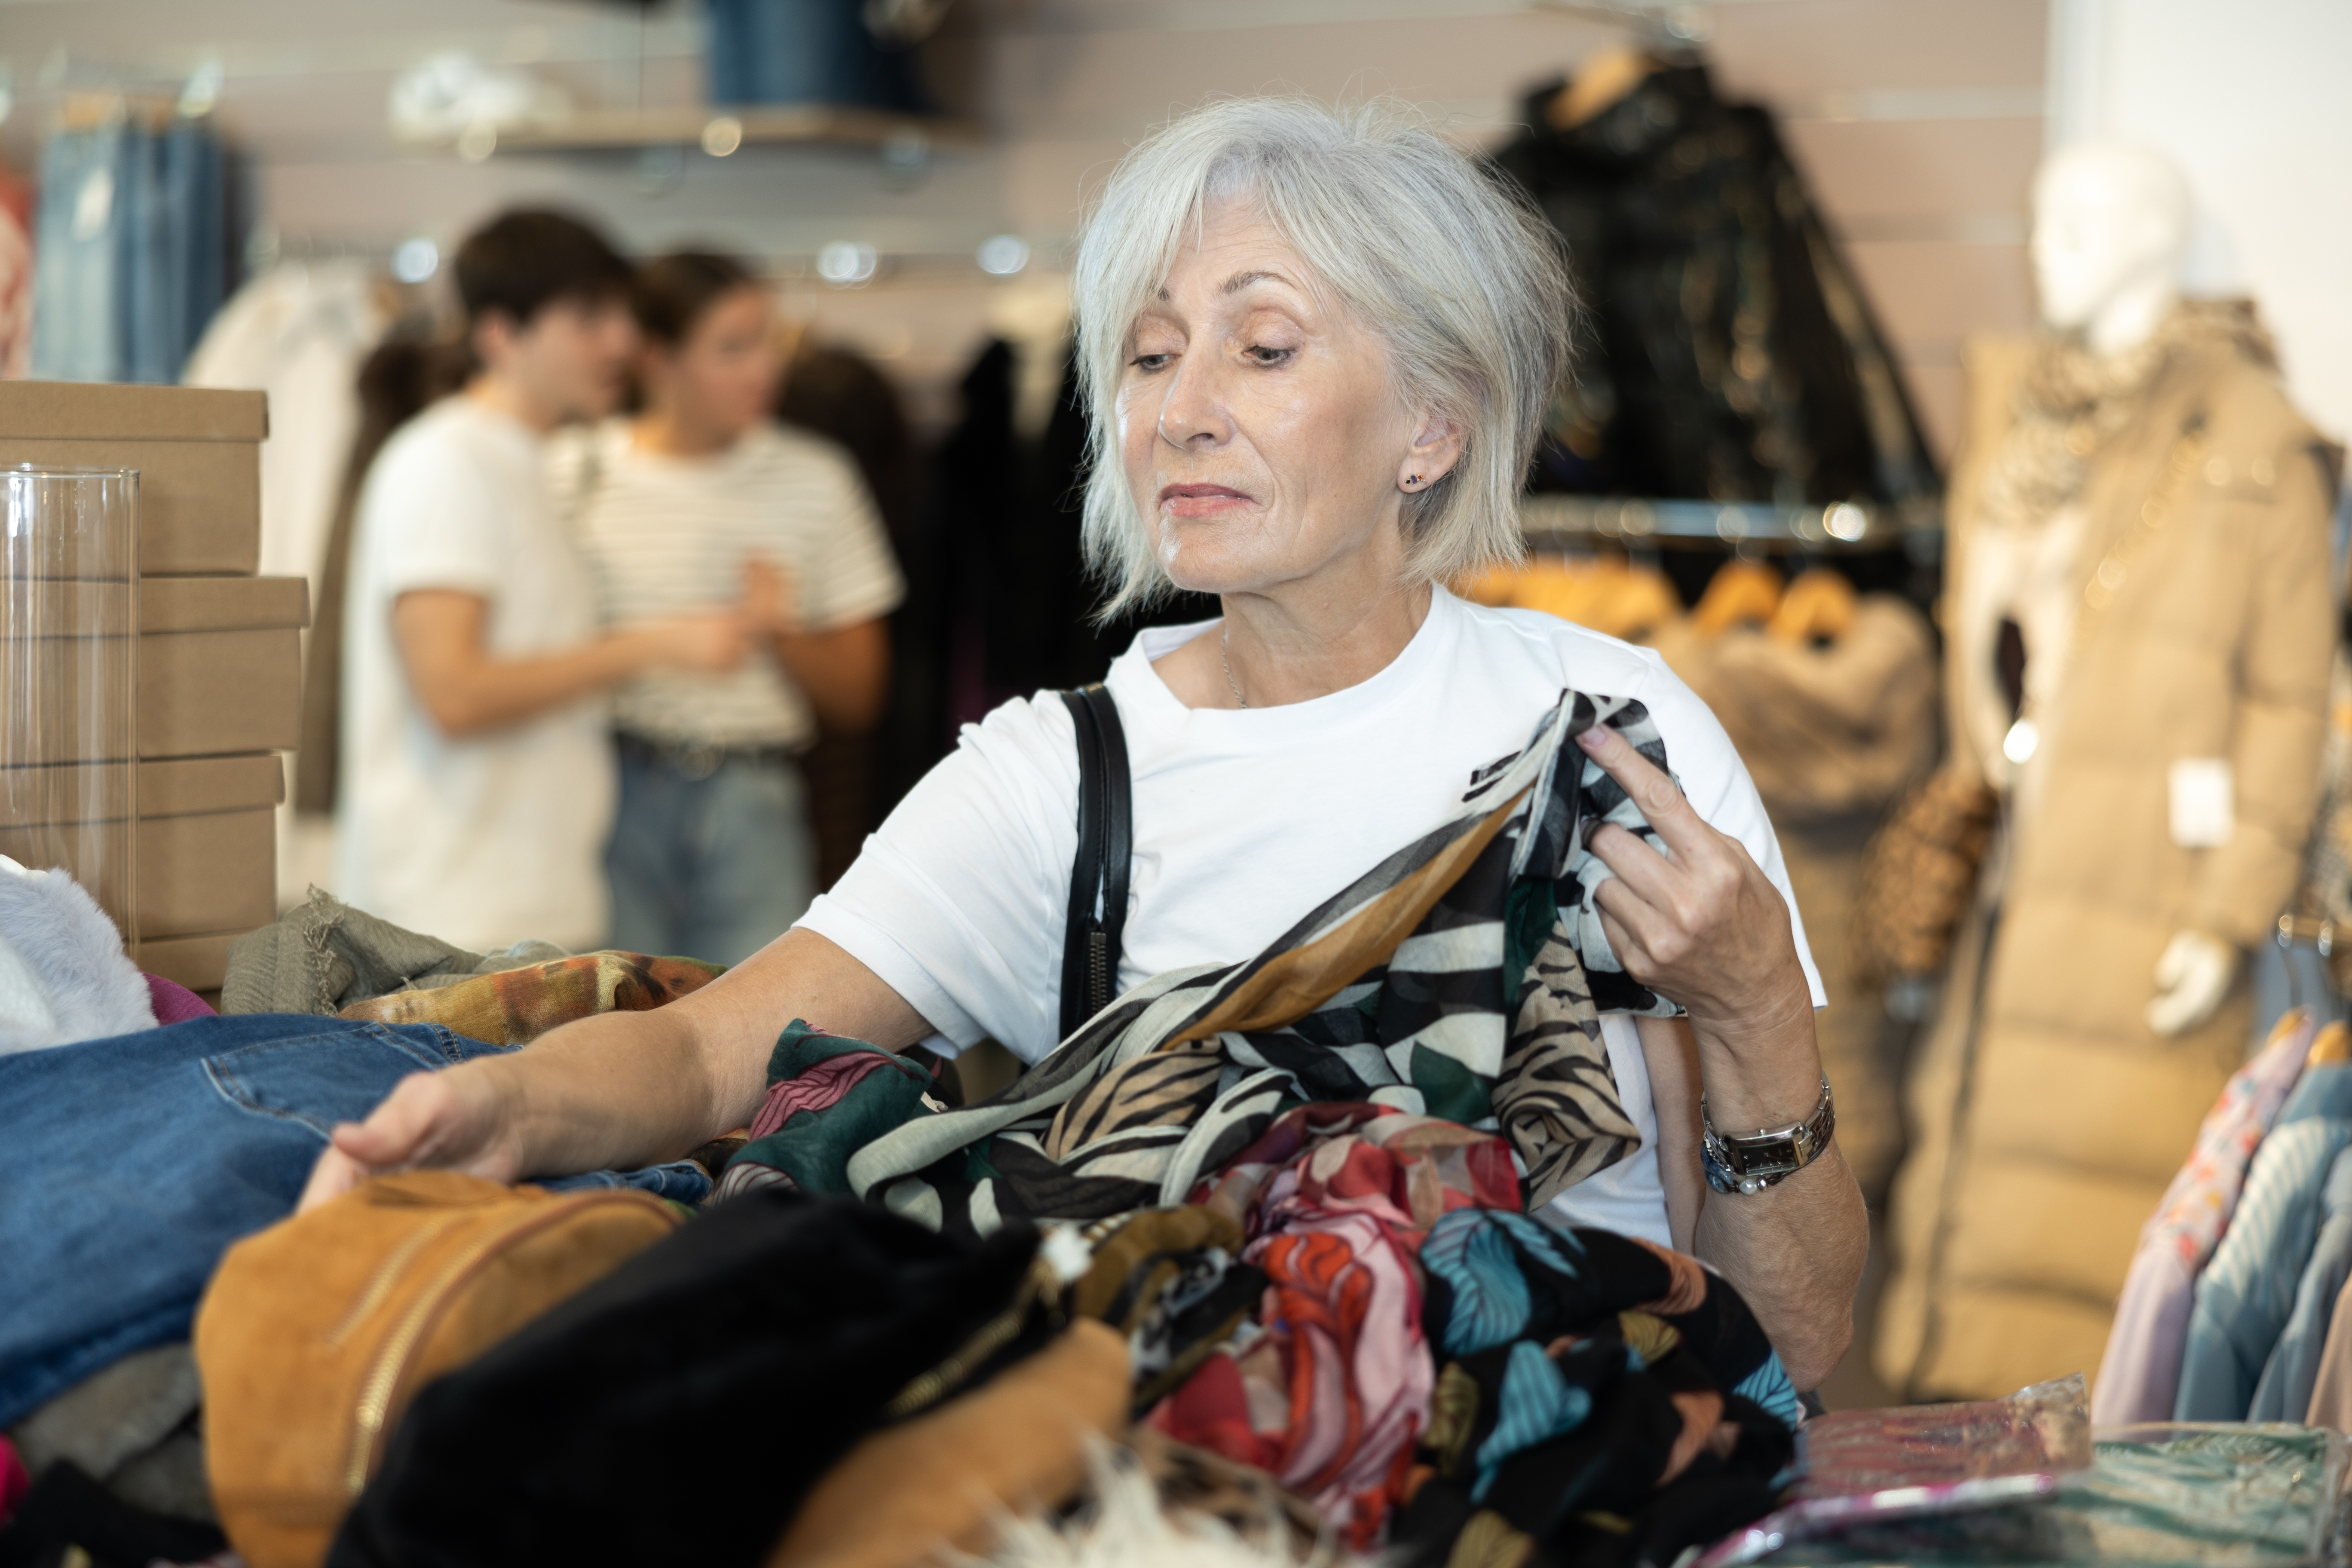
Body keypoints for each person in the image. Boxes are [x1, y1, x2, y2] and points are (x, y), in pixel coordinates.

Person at [308, 100, 1870, 1388]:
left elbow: (1797, 1351)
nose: (1179, 409)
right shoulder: (1063, 780)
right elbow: (720, 1043)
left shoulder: (1608, 734)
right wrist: (500, 1107)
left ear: (1432, 425)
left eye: (1262, 350)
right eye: (1145, 351)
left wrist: (1752, 1020)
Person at [334, 211, 753, 953]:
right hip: (450, 923)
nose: (621, 341)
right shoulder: (448, 461)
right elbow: (455, 693)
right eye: (589, 319)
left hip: (524, 913)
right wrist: (651, 646)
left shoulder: (528, 463)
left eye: (621, 315)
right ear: (501, 334)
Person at [557, 252, 903, 965]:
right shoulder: (572, 472)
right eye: (732, 347)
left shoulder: (815, 477)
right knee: (609, 1029)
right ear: (658, 358)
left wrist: (781, 631)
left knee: (756, 1039)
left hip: (755, 796)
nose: (764, 369)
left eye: (768, 341)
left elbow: (862, 696)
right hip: (602, 786)